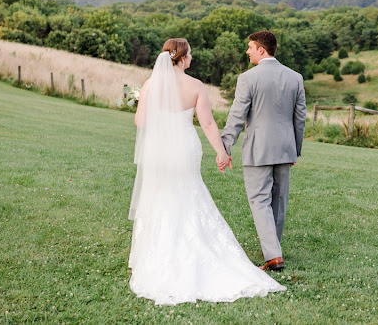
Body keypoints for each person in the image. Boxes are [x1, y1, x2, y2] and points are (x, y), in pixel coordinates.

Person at [128, 38, 285, 306]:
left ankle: (159, 253)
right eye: (190, 54)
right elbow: (209, 124)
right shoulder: (196, 86)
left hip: (159, 150)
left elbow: (140, 121)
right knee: (188, 193)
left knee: (161, 195)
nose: (192, 58)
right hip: (185, 148)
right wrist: (222, 153)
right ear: (183, 58)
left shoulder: (151, 84)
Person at [220, 30, 306, 272]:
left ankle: (273, 255)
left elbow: (237, 116)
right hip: (285, 148)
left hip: (259, 148)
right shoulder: (295, 77)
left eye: (250, 47)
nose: (247, 51)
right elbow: (300, 119)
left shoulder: (248, 78)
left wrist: (225, 145)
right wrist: (295, 150)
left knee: (259, 200)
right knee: (278, 201)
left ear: (261, 49)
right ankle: (273, 248)